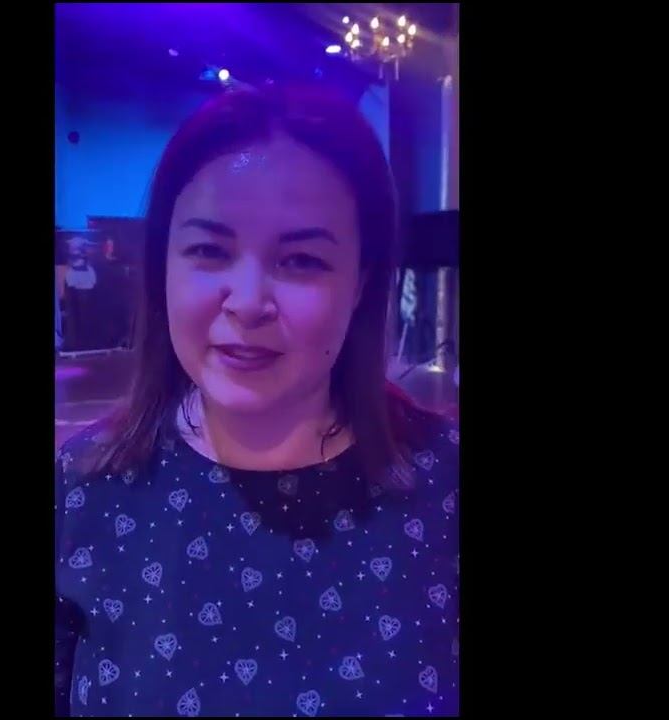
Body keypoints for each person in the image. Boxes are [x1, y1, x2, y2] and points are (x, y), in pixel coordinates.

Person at [54, 84, 461, 717]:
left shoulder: (445, 482)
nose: (247, 302)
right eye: (209, 251)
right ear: (163, 266)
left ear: (360, 283)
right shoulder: (81, 488)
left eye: (301, 260)